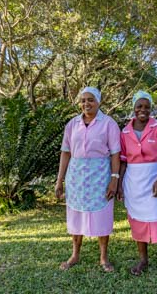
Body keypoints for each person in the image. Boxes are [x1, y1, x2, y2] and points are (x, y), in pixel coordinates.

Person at [55, 86, 121, 273]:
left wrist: (114, 179)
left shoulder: (109, 123)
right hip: (76, 177)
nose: (86, 103)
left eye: (90, 99)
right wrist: (60, 180)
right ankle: (75, 254)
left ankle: (103, 257)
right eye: (83, 100)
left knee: (102, 216)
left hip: (100, 175)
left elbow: (116, 153)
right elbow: (65, 153)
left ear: (98, 101)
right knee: (75, 215)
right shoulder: (72, 124)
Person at [117, 90, 157, 276]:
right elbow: (124, 161)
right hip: (133, 181)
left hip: (153, 176)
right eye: (139, 106)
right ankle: (143, 259)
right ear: (133, 108)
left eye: (147, 107)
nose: (143, 110)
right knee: (138, 221)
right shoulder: (125, 131)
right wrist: (119, 185)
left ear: (151, 109)